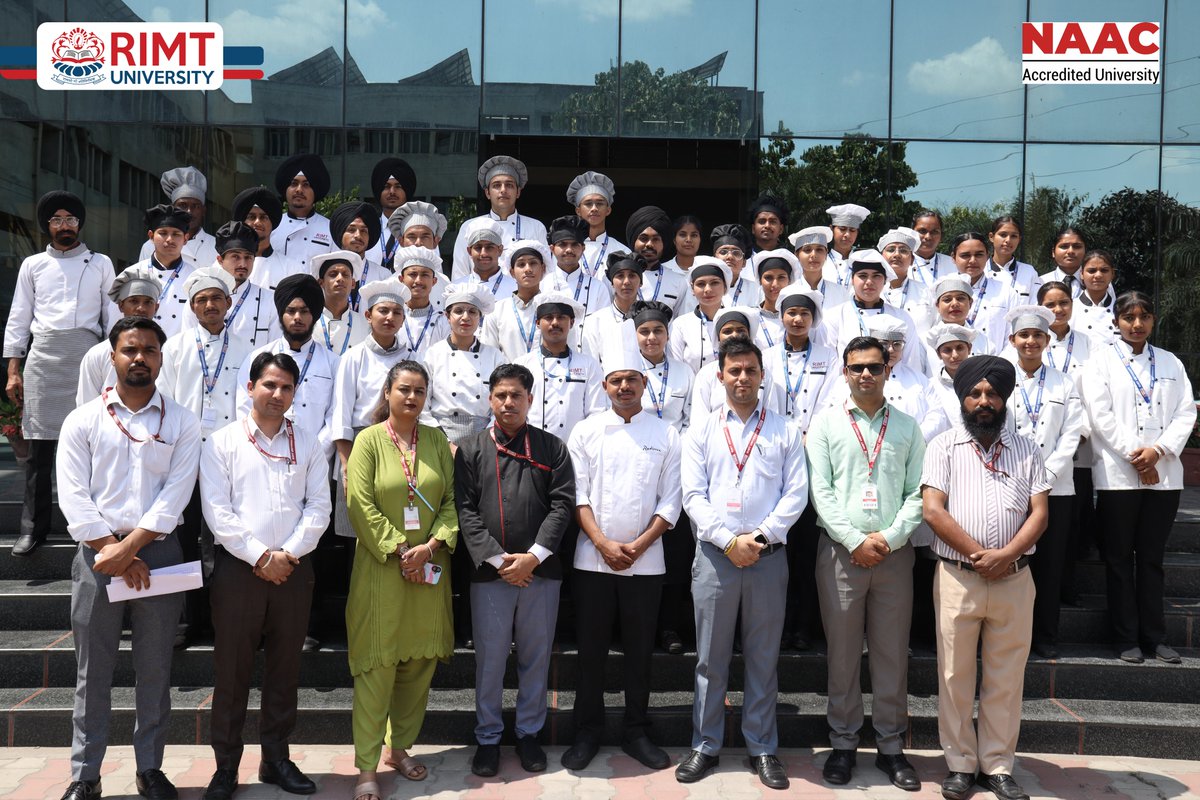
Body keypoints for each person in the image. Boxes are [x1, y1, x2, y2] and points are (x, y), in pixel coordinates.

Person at [55, 316, 202, 800]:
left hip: (159, 555)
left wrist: (131, 549)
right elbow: (74, 497)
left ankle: (150, 769)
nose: (140, 358)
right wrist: (113, 551)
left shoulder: (181, 421)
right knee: (91, 671)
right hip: (96, 556)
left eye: (150, 350)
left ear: (161, 358)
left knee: (155, 668)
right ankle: (85, 774)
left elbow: (175, 496)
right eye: (130, 350)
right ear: (112, 356)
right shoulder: (83, 419)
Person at [199, 352, 332, 800]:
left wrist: (288, 554)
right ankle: (225, 768)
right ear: (250, 386)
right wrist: (260, 557)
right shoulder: (222, 443)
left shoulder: (309, 441)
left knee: (284, 669)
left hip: (293, 572)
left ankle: (276, 758)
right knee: (232, 673)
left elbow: (319, 508)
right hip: (239, 571)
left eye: (286, 388)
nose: (277, 395)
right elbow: (218, 512)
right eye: (269, 385)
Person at [677, 338, 807, 790]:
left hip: (767, 558)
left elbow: (796, 494)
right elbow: (693, 495)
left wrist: (759, 537)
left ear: (761, 375)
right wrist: (729, 540)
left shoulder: (785, 431)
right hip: (715, 557)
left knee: (762, 658)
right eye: (734, 371)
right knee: (710, 659)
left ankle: (763, 748)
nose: (743, 378)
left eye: (751, 370)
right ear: (720, 376)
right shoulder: (702, 430)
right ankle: (705, 744)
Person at [921, 355, 1051, 800]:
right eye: (974, 393)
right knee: (954, 676)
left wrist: (1006, 555)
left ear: (1005, 397)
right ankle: (959, 764)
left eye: (991, 393)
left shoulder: (1028, 447)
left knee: (1006, 676)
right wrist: (979, 555)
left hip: (1015, 579)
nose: (983, 401)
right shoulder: (943, 447)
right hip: (960, 577)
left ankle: (997, 764)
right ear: (962, 398)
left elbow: (1040, 513)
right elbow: (933, 510)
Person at [807, 335, 926, 791]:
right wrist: (855, 539)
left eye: (874, 368)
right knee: (842, 655)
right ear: (844, 371)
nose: (865, 375)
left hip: (894, 556)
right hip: (840, 553)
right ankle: (842, 744)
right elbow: (822, 490)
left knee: (892, 653)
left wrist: (890, 538)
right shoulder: (826, 425)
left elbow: (919, 493)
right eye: (857, 368)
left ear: (887, 371)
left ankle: (892, 747)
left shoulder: (908, 427)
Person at [562, 343, 682, 772]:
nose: (625, 387)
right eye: (616, 380)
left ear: (645, 383)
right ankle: (586, 732)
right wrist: (603, 543)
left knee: (639, 652)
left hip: (645, 562)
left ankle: (636, 730)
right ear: (605, 386)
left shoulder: (666, 433)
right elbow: (577, 495)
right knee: (591, 651)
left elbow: (672, 500)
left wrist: (641, 544)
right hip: (593, 561)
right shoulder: (585, 431)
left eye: (633, 379)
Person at [455, 364, 575, 778]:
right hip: (491, 574)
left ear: (529, 399)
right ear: (490, 399)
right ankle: (487, 738)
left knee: (535, 658)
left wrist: (533, 557)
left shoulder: (551, 447)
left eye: (517, 396)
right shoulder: (470, 448)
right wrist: (498, 560)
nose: (508, 403)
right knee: (489, 660)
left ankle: (528, 735)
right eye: (501, 395)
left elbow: (562, 505)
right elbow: (465, 510)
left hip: (540, 571)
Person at [346, 361, 459, 800]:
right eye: (404, 390)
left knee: (418, 665)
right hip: (381, 570)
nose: (412, 398)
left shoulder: (435, 440)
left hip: (429, 569)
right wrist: (398, 549)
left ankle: (401, 748)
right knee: (377, 667)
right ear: (388, 392)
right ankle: (366, 768)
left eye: (419, 391)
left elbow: (451, 502)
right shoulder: (368, 441)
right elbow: (359, 502)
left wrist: (430, 547)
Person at [1081, 291, 1196, 665]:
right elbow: (1101, 418)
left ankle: (1155, 637)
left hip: (1164, 476)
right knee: (1117, 558)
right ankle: (1125, 637)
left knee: (1151, 558)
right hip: (1118, 474)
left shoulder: (1171, 362)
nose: (1137, 324)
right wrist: (1138, 456)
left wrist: (1157, 453)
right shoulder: (1099, 362)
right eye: (1129, 317)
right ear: (1116, 321)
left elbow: (1184, 413)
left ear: (1153, 320)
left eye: (1144, 316)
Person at [6, 191, 117, 556]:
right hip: (43, 357)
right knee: (39, 450)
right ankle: (32, 529)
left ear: (79, 224)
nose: (64, 225)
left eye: (70, 219)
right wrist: (13, 370)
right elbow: (20, 317)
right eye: (56, 220)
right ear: (47, 226)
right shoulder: (33, 265)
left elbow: (111, 316)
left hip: (87, 355)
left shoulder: (100, 262)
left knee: (91, 446)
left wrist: (115, 358)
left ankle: (91, 525)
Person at [158, 266, 253, 647]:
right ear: (192, 307)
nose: (210, 305)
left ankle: (226, 619)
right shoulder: (175, 348)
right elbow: (163, 402)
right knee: (182, 536)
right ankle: (184, 622)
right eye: (201, 301)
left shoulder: (248, 348)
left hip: (230, 457)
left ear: (229, 303)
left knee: (226, 539)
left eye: (216, 298)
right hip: (183, 456)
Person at [1005, 305, 1084, 660]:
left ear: (1047, 340)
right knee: (1012, 567)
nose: (1031, 341)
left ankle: (1045, 637)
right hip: (1010, 485)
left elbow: (1072, 434)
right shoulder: (1000, 378)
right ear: (1013, 340)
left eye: (1038, 335)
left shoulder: (1064, 382)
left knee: (1050, 565)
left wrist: (1046, 477)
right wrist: (1019, 478)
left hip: (1056, 488)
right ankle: (1008, 637)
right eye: (1025, 335)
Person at [764, 285, 838, 652]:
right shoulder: (765, 357)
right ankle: (776, 624)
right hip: (773, 454)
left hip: (814, 453)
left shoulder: (831, 357)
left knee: (807, 548)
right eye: (791, 313)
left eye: (804, 314)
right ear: (781, 317)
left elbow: (834, 400)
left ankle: (803, 626)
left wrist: (812, 435)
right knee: (778, 548)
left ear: (813, 319)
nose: (797, 319)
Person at [331, 277, 412, 541]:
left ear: (403, 319)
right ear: (368, 315)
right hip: (359, 446)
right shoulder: (353, 357)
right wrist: (346, 467)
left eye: (397, 312)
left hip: (401, 445)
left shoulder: (413, 358)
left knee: (397, 524)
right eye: (383, 311)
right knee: (357, 531)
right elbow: (341, 415)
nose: (390, 317)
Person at [236, 274, 339, 460]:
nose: (297, 318)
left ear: (314, 315)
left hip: (315, 459)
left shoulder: (333, 363)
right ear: (281, 315)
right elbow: (244, 406)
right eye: (291, 311)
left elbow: (335, 416)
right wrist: (263, 448)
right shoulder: (257, 357)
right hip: (262, 454)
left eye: (305, 311)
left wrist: (313, 452)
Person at [515, 292, 606, 443]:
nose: (555, 323)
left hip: (576, 450)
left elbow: (596, 413)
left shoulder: (589, 365)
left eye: (561, 317)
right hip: (532, 448)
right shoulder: (522, 364)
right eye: (549, 318)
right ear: (538, 323)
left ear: (571, 322)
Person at [423, 283, 505, 443]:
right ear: (447, 316)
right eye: (459, 311)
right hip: (439, 435)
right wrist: (442, 440)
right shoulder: (434, 354)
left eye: (472, 312)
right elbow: (423, 403)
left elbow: (501, 401)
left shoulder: (495, 356)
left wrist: (487, 437)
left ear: (480, 317)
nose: (465, 317)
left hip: (484, 437)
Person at [824, 250, 925, 375]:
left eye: (876, 276)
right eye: (863, 275)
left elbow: (911, 362)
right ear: (852, 279)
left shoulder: (901, 317)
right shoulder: (835, 316)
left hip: (894, 387)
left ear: (885, 280)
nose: (869, 282)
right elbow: (830, 364)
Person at [76, 266, 162, 407]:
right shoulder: (97, 354)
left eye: (148, 302)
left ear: (156, 308)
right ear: (121, 306)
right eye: (134, 301)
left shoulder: (169, 351)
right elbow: (85, 407)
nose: (141, 308)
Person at [452, 155, 547, 281]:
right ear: (487, 193)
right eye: (497, 185)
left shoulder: (536, 227)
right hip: (477, 297)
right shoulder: (469, 226)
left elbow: (545, 273)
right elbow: (460, 273)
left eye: (509, 185)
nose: (503, 190)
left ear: (518, 192)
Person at [197, 221, 277, 350]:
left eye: (248, 257)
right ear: (220, 260)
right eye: (235, 257)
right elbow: (190, 343)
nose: (243, 264)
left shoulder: (269, 301)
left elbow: (275, 347)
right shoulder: (201, 298)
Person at [540, 215, 613, 339]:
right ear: (552, 249)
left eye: (574, 245)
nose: (569, 249)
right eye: (562, 244)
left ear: (583, 248)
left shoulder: (598, 287)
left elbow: (605, 329)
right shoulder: (542, 284)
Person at [478, 239, 552, 360]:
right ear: (512, 272)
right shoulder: (497, 310)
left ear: (543, 268)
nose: (528, 269)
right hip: (507, 377)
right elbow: (489, 356)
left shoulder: (553, 307)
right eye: (521, 264)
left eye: (533, 263)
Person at [950, 232, 1019, 354]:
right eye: (965, 255)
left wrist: (997, 367)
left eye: (979, 255)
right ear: (953, 258)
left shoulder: (1006, 292)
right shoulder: (943, 292)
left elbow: (1013, 335)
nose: (972, 260)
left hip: (995, 365)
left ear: (987, 256)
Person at [138, 167, 217, 268]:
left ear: (203, 211)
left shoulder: (216, 245)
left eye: (195, 206)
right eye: (183, 205)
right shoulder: (151, 246)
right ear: (173, 208)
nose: (189, 211)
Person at [137, 203, 196, 338]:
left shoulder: (195, 278)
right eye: (163, 233)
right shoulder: (133, 274)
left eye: (176, 234)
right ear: (151, 236)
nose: (169, 239)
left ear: (185, 238)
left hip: (181, 353)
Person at [270, 153, 334, 277]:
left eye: (306, 185)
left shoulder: (330, 229)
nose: (299, 189)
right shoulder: (272, 226)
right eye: (294, 184)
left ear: (315, 191)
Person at [668, 256, 731, 373]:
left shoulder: (735, 321)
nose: (707, 289)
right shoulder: (681, 325)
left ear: (725, 287)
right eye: (701, 284)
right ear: (692, 289)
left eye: (714, 283)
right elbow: (675, 367)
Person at [580, 252, 644, 362]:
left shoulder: (649, 319)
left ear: (641, 283)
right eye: (620, 276)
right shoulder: (594, 321)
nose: (626, 282)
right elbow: (591, 362)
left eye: (632, 276)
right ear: (612, 283)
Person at [387, 201, 449, 310]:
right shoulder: (389, 285)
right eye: (412, 236)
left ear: (436, 241)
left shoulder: (445, 284)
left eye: (425, 236)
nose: (418, 243)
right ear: (401, 241)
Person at [627, 206, 688, 314]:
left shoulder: (679, 281)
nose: (649, 244)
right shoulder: (620, 278)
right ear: (634, 240)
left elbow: (680, 322)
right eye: (643, 238)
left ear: (664, 243)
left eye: (656, 239)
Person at [394, 246, 451, 363]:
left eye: (425, 275)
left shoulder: (443, 321)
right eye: (413, 274)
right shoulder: (392, 317)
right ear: (401, 279)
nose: (418, 281)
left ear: (434, 281)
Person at [566, 170, 626, 277]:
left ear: (608, 210)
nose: (594, 208)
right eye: (588, 204)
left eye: (599, 203)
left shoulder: (622, 251)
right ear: (578, 211)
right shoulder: (566, 250)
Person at [312, 251, 368, 355]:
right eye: (333, 274)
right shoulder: (310, 321)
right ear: (321, 283)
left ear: (353, 283)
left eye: (345, 275)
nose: (340, 279)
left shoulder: (365, 324)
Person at [235, 186, 290, 292]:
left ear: (272, 223)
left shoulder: (291, 268)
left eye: (264, 217)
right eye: (251, 217)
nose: (257, 222)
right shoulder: (226, 265)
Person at [880, 227, 935, 332]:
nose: (896, 254)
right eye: (891, 250)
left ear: (912, 260)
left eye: (903, 250)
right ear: (882, 257)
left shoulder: (925, 291)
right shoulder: (871, 290)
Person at [368, 157, 417, 271]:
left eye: (398, 186)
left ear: (407, 190)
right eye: (386, 186)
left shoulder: (422, 232)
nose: (392, 192)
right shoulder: (367, 230)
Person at [452, 222, 517, 299]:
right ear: (469, 251)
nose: (483, 254)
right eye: (478, 248)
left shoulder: (515, 288)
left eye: (489, 247)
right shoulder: (456, 288)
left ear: (500, 250)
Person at [985, 216, 1042, 301]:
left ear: (1019, 239)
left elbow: (1035, 306)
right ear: (991, 237)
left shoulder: (1029, 272)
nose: (1008, 240)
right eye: (1003, 235)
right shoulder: (981, 270)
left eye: (1014, 236)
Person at [329, 201, 383, 286]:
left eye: (363, 231)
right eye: (351, 230)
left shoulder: (383, 276)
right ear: (340, 233)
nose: (358, 235)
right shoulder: (326, 272)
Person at [1071, 250, 1120, 342]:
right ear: (1081, 274)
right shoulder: (1070, 309)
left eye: (1104, 270)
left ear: (1112, 274)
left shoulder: (1121, 309)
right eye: (1092, 271)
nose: (1098, 275)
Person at [751, 249, 795, 350]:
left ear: (789, 280)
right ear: (760, 281)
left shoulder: (798, 317)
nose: (775, 284)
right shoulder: (751, 317)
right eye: (768, 278)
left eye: (781, 277)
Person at [712, 223, 762, 308]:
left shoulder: (757, 290)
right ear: (714, 259)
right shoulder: (703, 287)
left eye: (736, 253)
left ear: (744, 263)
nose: (730, 257)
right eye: (723, 252)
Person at [824, 203, 870, 284]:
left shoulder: (864, 262)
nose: (847, 235)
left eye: (852, 230)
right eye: (842, 229)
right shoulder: (821, 262)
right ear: (831, 229)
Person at [911, 210, 956, 284]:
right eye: (922, 231)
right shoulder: (899, 264)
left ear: (942, 236)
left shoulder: (953, 264)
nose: (928, 237)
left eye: (934, 232)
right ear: (912, 233)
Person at [1043, 227, 1089, 296]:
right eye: (1064, 246)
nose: (1070, 251)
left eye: (1077, 246)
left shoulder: (1098, 281)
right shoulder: (1041, 282)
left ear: (1085, 251)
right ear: (1053, 252)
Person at [663, 214, 703, 281]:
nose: (688, 240)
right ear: (674, 240)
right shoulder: (663, 269)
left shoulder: (707, 267)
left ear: (700, 239)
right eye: (682, 235)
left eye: (694, 235)